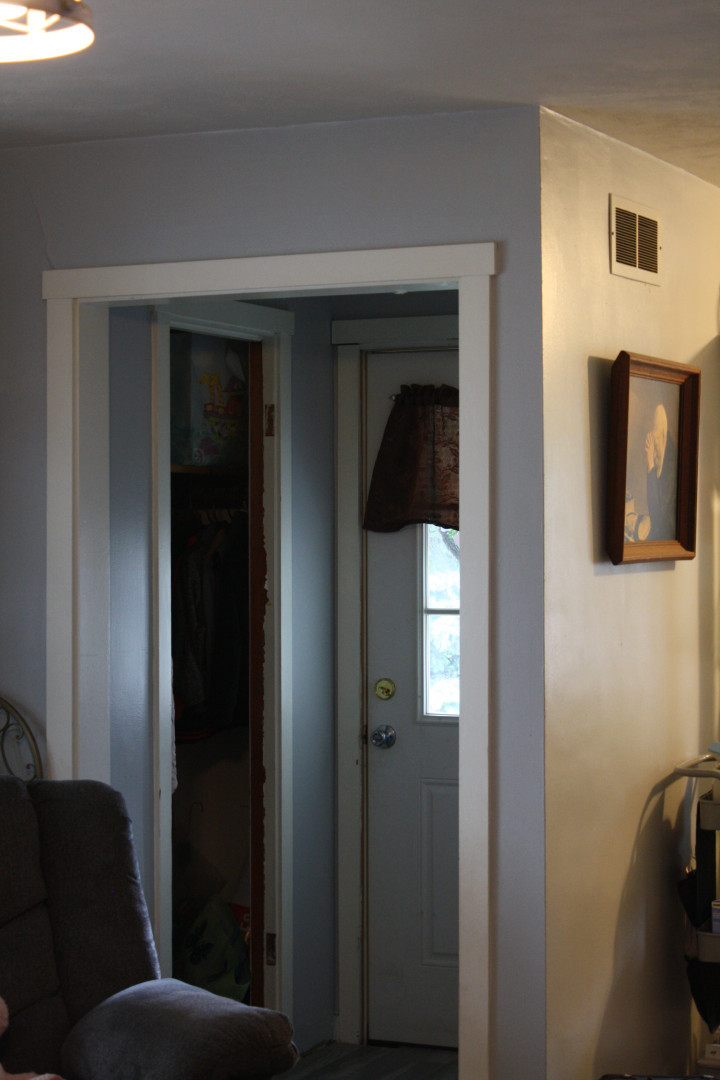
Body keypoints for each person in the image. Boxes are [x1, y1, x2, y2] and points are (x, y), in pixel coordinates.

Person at [644, 403, 677, 540]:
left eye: (655, 440)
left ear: (663, 437)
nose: (653, 446)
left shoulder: (670, 463)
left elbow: (658, 513)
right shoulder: (662, 460)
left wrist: (650, 464)